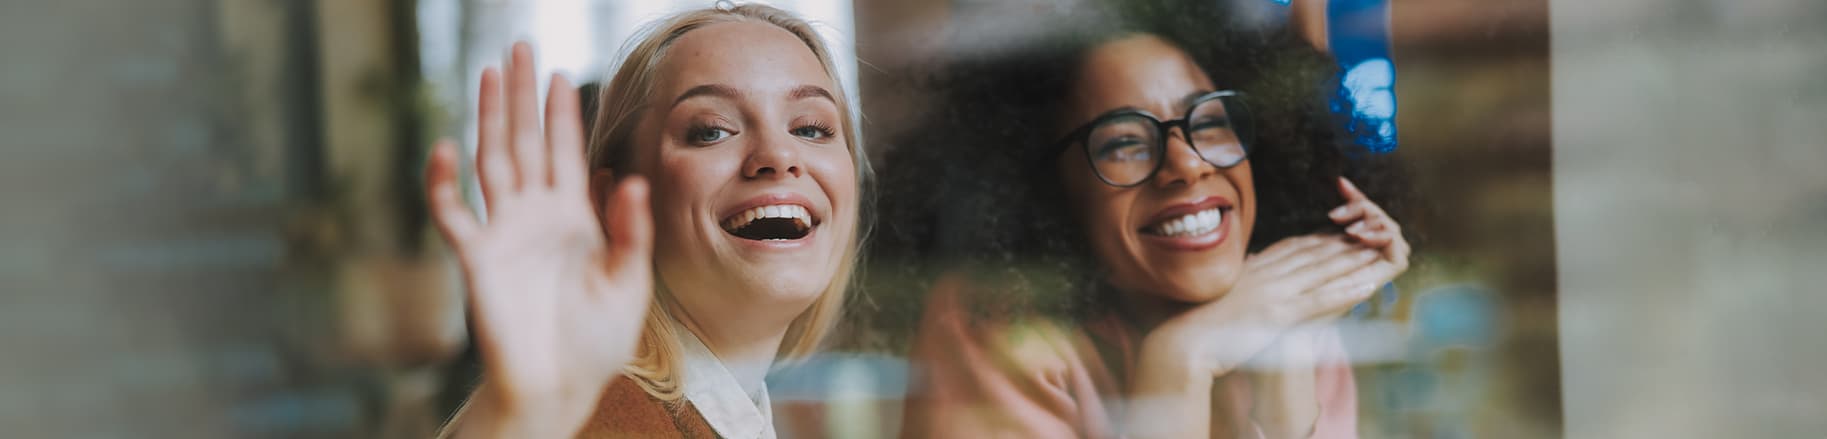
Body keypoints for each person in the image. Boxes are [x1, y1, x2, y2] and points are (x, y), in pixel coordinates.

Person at [879, 1, 1409, 437]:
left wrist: (1285, 361)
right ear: (1049, 187)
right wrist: (1180, 360)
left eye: (1211, 121)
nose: (1188, 164)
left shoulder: (1281, 306)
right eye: (1125, 142)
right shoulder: (991, 329)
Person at [423, 4, 870, 437]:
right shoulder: (577, 418)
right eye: (711, 130)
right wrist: (520, 421)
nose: (779, 155)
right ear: (610, 203)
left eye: (812, 128)